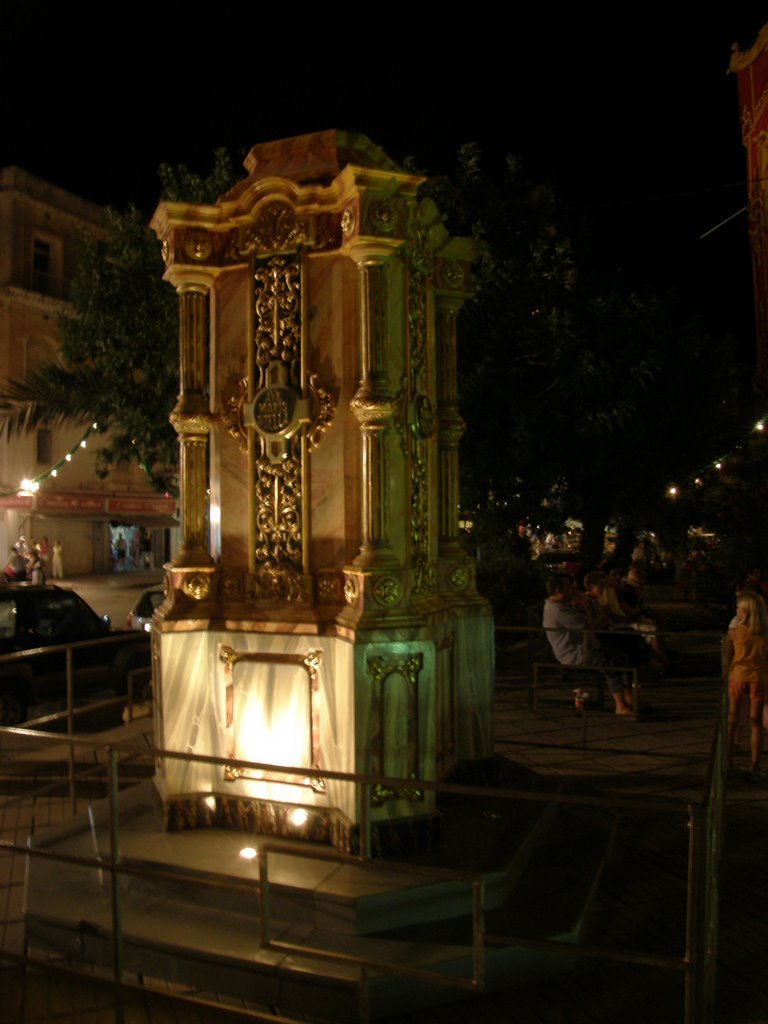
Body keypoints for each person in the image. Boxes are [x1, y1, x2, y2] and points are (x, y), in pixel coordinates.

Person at [542, 572, 635, 715]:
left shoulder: (564, 605)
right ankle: (620, 705)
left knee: (622, 657)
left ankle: (629, 698)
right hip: (577, 653)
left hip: (587, 646)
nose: (573, 589)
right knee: (609, 663)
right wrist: (583, 605)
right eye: (568, 586)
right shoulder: (558, 610)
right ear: (557, 590)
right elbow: (587, 624)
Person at [725, 590, 768, 781]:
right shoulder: (764, 634)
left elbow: (727, 656)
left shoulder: (734, 633)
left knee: (733, 721)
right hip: (758, 678)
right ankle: (755, 766)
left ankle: (728, 762)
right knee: (756, 723)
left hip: (738, 676)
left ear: (744, 612)